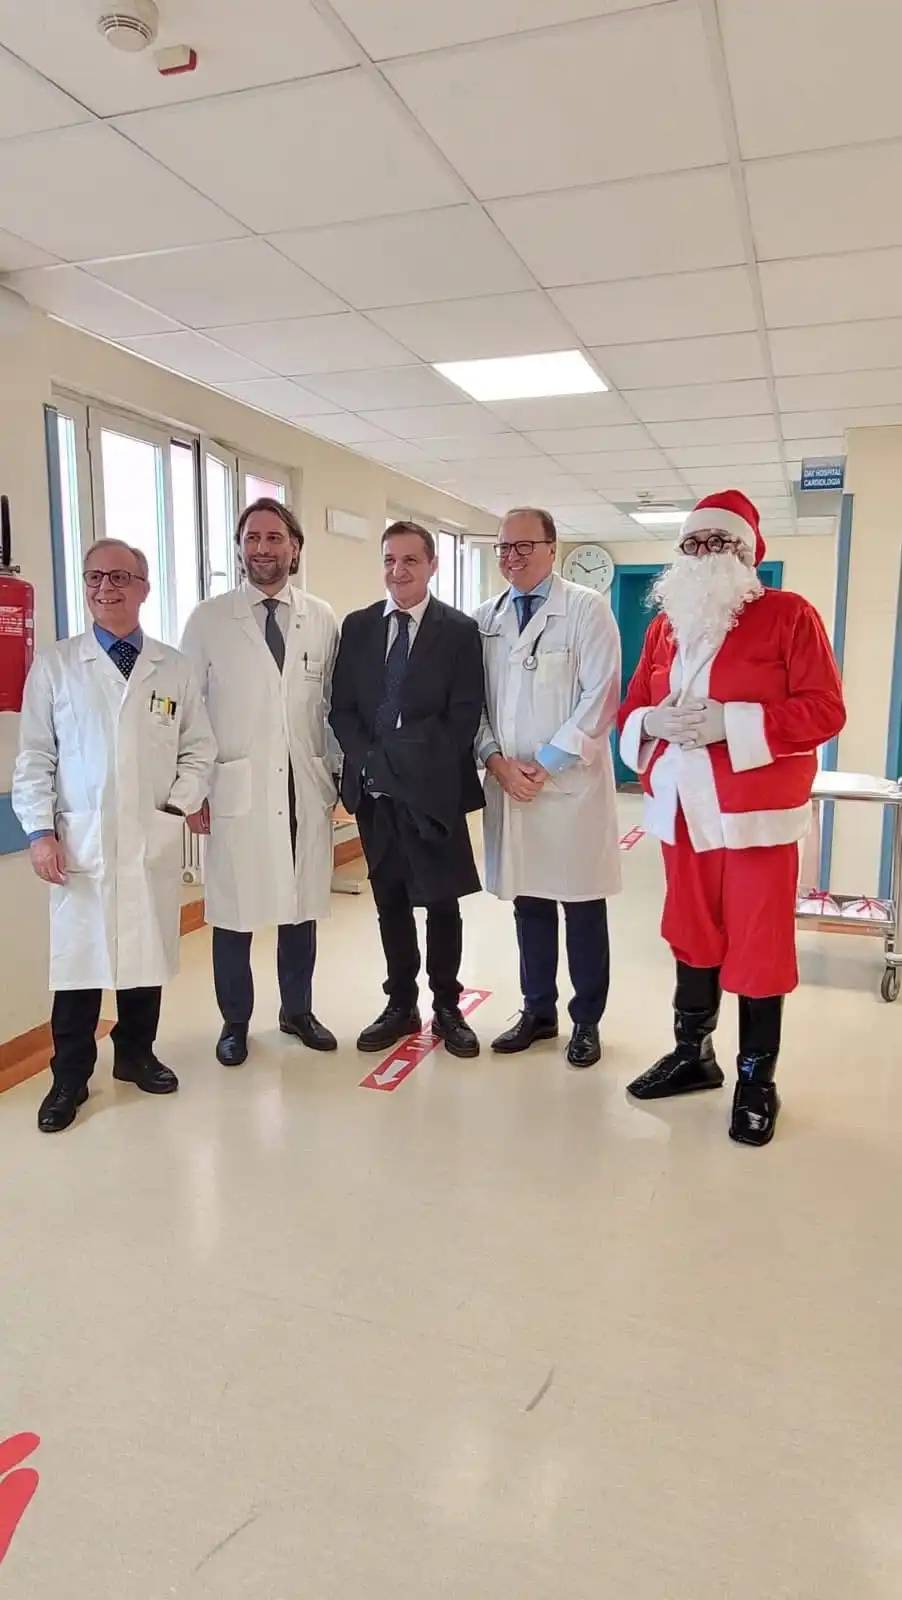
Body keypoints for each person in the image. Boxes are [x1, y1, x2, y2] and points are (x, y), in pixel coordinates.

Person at [618, 489, 846, 1146]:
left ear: (747, 552)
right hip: (682, 812)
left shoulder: (789, 615)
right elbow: (633, 705)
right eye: (693, 543)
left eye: (718, 542)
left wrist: (735, 723)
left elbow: (825, 710)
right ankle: (693, 1056)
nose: (704, 553)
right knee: (691, 932)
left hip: (754, 818)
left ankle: (756, 1079)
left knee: (758, 945)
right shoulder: (665, 627)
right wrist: (649, 722)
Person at [12, 539, 215, 1134]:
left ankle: (136, 1055)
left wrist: (174, 810)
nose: (106, 588)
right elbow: (35, 757)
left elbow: (198, 749)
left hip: (150, 835)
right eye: (94, 577)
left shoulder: (172, 667)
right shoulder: (56, 665)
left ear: (144, 588)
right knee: (78, 968)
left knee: (144, 955)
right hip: (81, 842)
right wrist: (40, 832)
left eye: (120, 577)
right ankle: (69, 1077)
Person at [180, 499, 339, 1066]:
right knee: (233, 914)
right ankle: (235, 1022)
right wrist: (192, 789)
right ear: (240, 548)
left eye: (274, 538)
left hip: (303, 785)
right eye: (252, 538)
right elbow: (187, 711)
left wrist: (337, 777)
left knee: (300, 909)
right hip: (235, 788)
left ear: (295, 547)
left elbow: (333, 705)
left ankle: (297, 1011)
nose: (262, 548)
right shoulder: (208, 619)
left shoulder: (320, 617)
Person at [329, 521, 485, 1058]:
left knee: (441, 902)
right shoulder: (358, 627)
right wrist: (375, 762)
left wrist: (404, 763)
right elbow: (342, 709)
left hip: (432, 791)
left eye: (411, 561)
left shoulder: (459, 631)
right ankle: (401, 1005)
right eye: (389, 560)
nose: (398, 571)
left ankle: (447, 1007)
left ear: (432, 565)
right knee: (389, 900)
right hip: (375, 793)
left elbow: (462, 717)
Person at [475, 508, 622, 1069]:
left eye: (523, 546)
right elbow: (474, 704)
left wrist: (545, 763)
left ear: (552, 548)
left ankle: (587, 1020)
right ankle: (538, 1011)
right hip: (511, 784)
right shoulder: (485, 618)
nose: (511, 557)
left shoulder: (586, 609)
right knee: (529, 904)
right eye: (503, 548)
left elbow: (601, 696)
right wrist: (496, 761)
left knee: (581, 907)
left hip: (569, 787)